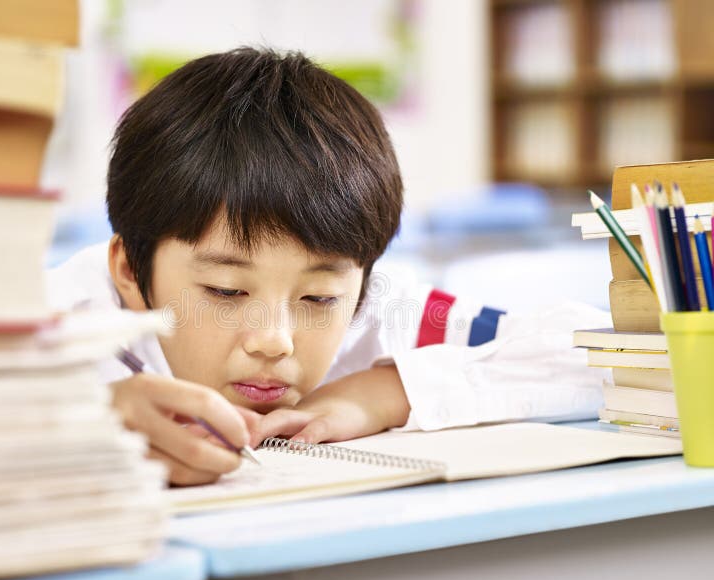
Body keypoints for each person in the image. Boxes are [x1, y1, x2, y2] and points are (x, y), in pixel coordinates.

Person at [48, 47, 610, 486]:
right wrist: (79, 421)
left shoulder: (381, 313)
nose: (275, 342)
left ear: (363, 280)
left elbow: (614, 357)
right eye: (224, 290)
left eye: (317, 299)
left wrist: (386, 392)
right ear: (128, 269)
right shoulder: (57, 326)